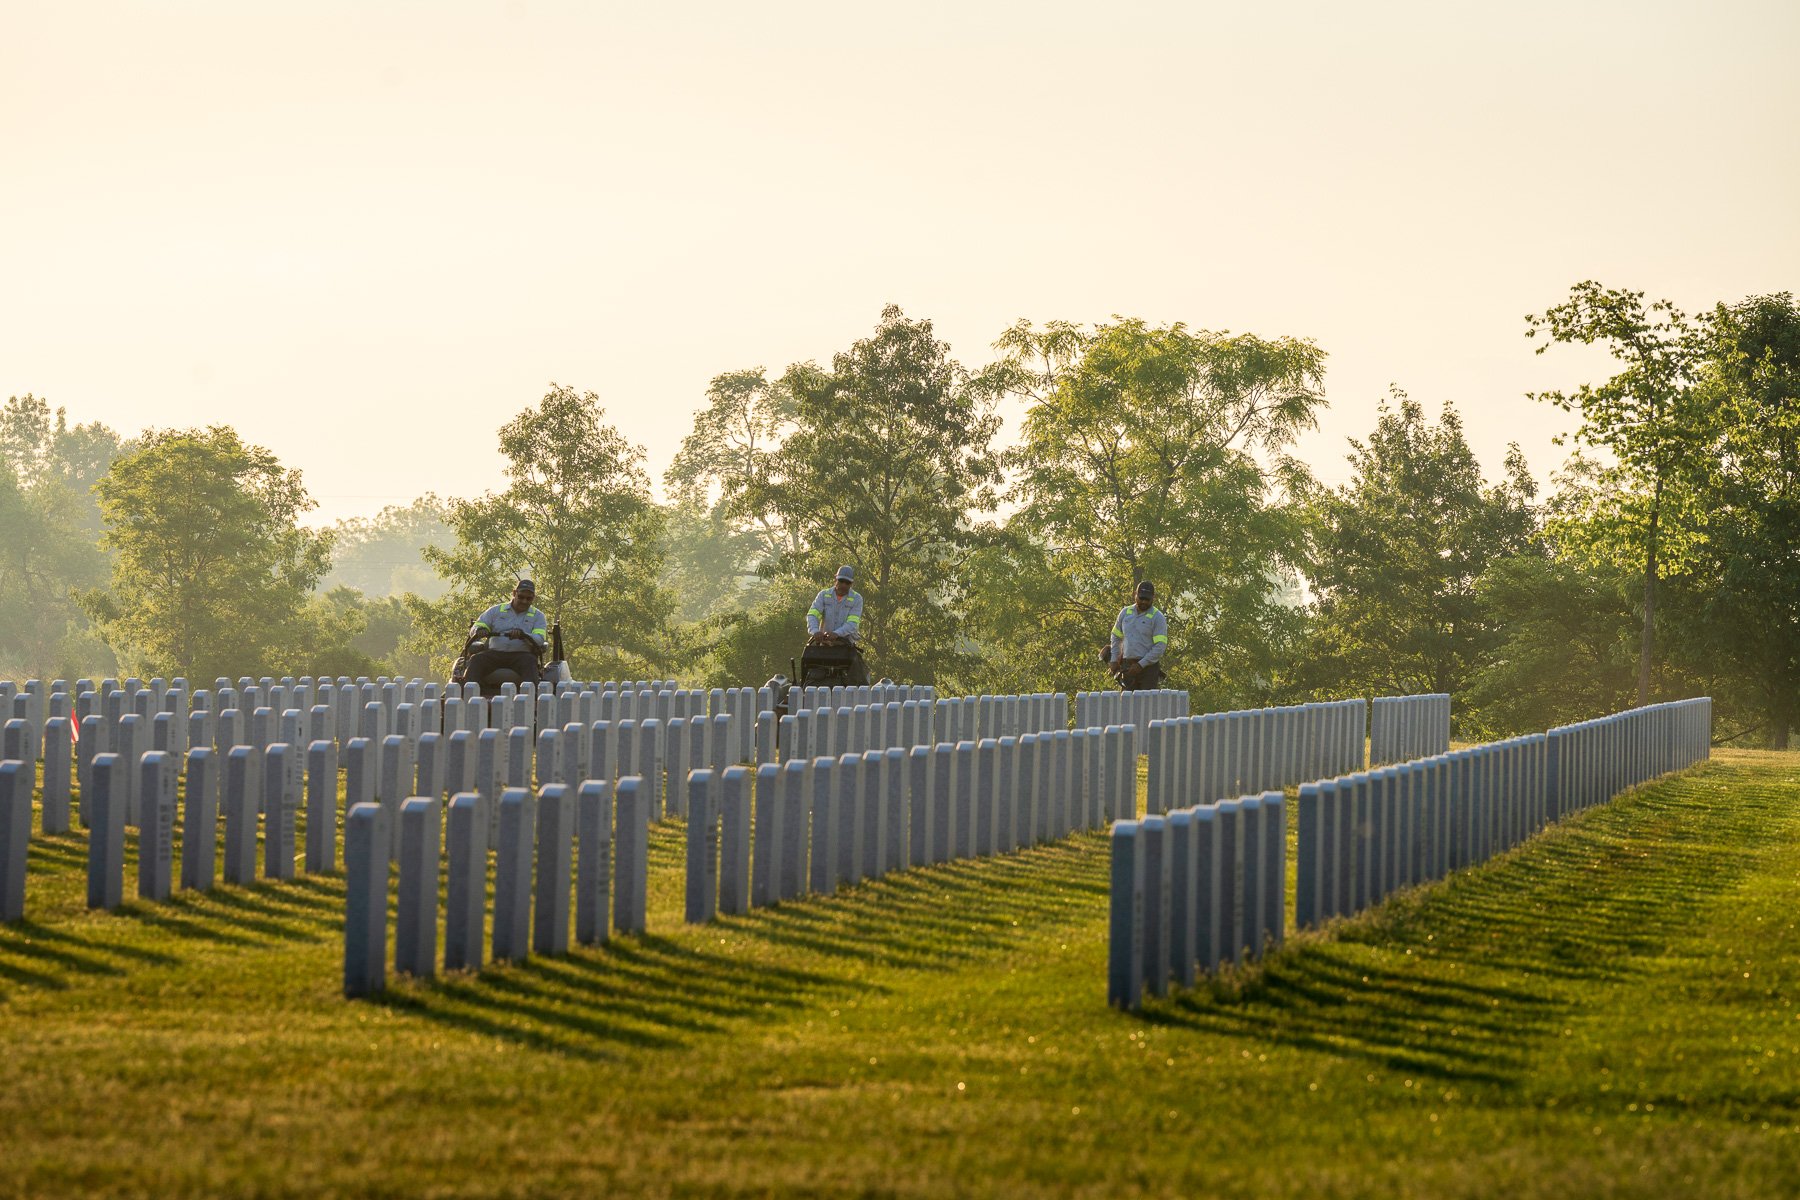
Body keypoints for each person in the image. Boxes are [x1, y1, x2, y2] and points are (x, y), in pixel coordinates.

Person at [466, 579, 550, 686]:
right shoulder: (495, 611)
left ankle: (532, 697)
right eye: (521, 597)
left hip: (522, 657)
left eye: (529, 598)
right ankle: (467, 694)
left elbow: (539, 639)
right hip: (494, 654)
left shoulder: (538, 616)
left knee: (530, 662)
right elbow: (477, 626)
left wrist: (523, 635)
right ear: (514, 593)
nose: (524, 601)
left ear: (533, 598)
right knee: (476, 660)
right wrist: (480, 630)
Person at [806, 564, 870, 686]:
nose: (844, 585)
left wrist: (837, 634)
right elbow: (812, 615)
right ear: (836, 579)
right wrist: (815, 631)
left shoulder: (857, 599)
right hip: (823, 645)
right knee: (807, 661)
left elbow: (852, 624)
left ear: (852, 584)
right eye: (841, 581)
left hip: (845, 645)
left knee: (859, 679)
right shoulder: (823, 595)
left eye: (848, 583)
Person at [1110, 580, 1168, 690]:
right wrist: (1114, 659)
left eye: (1147, 599)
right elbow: (1116, 637)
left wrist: (1141, 664)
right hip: (1127, 666)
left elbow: (1160, 646)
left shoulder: (1158, 617)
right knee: (1127, 703)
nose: (1144, 602)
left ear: (1153, 598)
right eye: (1141, 598)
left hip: (1148, 669)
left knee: (1147, 704)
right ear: (1134, 595)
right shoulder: (1125, 613)